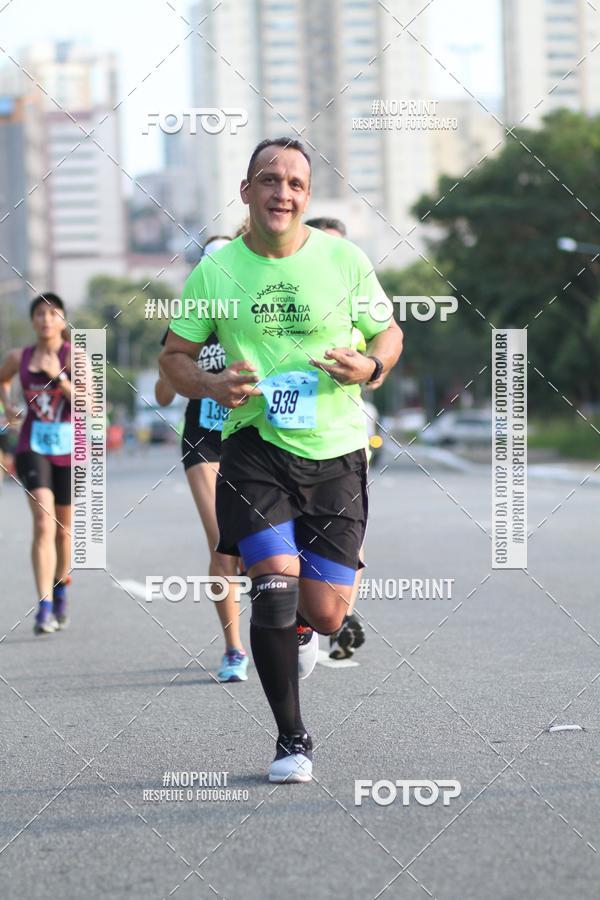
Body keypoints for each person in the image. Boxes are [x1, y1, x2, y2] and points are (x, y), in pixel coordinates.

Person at [160, 137, 403, 783]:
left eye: (295, 183)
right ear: (247, 191)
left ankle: (304, 632)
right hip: (255, 447)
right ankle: (291, 740)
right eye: (269, 180)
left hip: (337, 450)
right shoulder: (216, 271)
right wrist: (210, 385)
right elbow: (173, 357)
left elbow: (389, 332)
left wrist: (371, 365)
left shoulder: (343, 260)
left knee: (323, 611)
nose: (283, 193)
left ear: (306, 196)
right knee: (271, 583)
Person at [155, 236, 249, 683]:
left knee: (254, 545)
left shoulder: (252, 313)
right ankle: (234, 648)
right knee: (220, 543)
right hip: (203, 438)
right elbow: (163, 390)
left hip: (251, 435)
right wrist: (172, 373)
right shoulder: (188, 321)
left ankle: (281, 622)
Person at [305, 215, 369, 660]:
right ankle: (299, 613)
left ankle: (339, 613)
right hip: (274, 442)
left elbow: (385, 347)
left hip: (343, 440)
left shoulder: (357, 308)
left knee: (351, 537)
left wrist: (369, 364)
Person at [0, 293, 72, 634]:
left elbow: (90, 402)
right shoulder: (20, 356)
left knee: (63, 530)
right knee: (43, 524)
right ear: (33, 320)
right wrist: (9, 406)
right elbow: (3, 378)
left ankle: (61, 595)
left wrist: (57, 378)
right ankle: (43, 606)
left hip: (70, 449)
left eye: (53, 313)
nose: (46, 319)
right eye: (40, 313)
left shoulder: (77, 357)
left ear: (63, 321)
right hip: (33, 446)